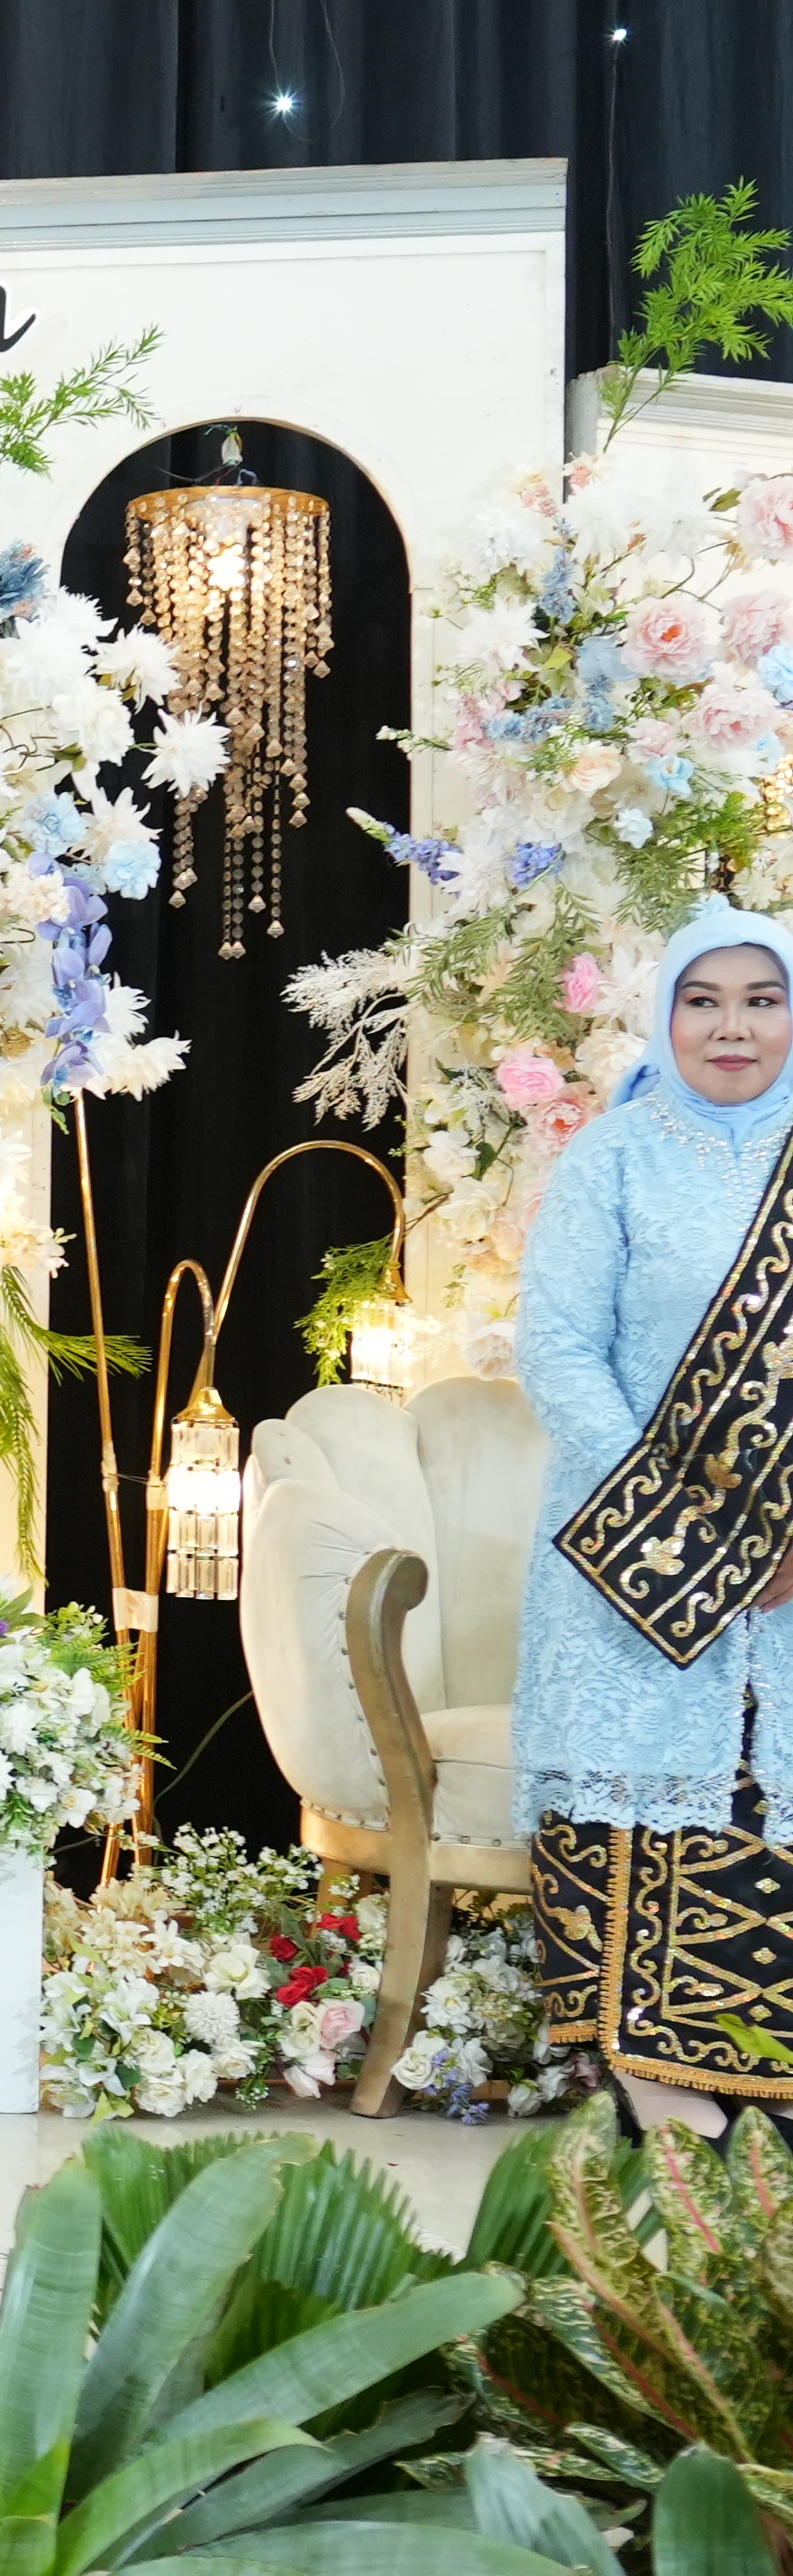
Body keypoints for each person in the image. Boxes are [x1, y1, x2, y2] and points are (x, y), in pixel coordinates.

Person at [519, 901, 793, 2136]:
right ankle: (656, 2099)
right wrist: (678, 1519)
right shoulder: (614, 1157)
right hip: (633, 1557)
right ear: (666, 1016)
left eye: (762, 1000)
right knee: (635, 1798)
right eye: (704, 1000)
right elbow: (559, 1345)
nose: (733, 1027)